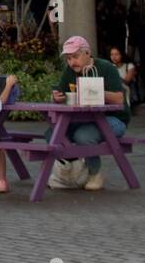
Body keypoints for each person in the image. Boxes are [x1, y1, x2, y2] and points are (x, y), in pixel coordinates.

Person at [49, 35, 130, 191]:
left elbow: (119, 99)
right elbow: (63, 93)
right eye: (68, 58)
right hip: (83, 118)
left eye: (75, 56)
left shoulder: (106, 68)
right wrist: (58, 98)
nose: (72, 62)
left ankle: (95, 173)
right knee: (53, 133)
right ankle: (72, 172)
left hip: (113, 119)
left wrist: (95, 90)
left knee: (83, 136)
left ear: (87, 53)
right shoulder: (69, 72)